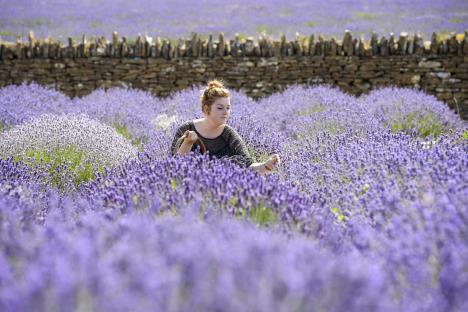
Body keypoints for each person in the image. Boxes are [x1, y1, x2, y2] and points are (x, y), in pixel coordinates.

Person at [170, 80, 280, 175]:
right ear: (207, 109)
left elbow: (248, 164)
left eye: (228, 108)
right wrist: (188, 142)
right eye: (220, 108)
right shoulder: (186, 128)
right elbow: (172, 167)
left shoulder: (228, 133)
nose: (225, 112)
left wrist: (266, 165)